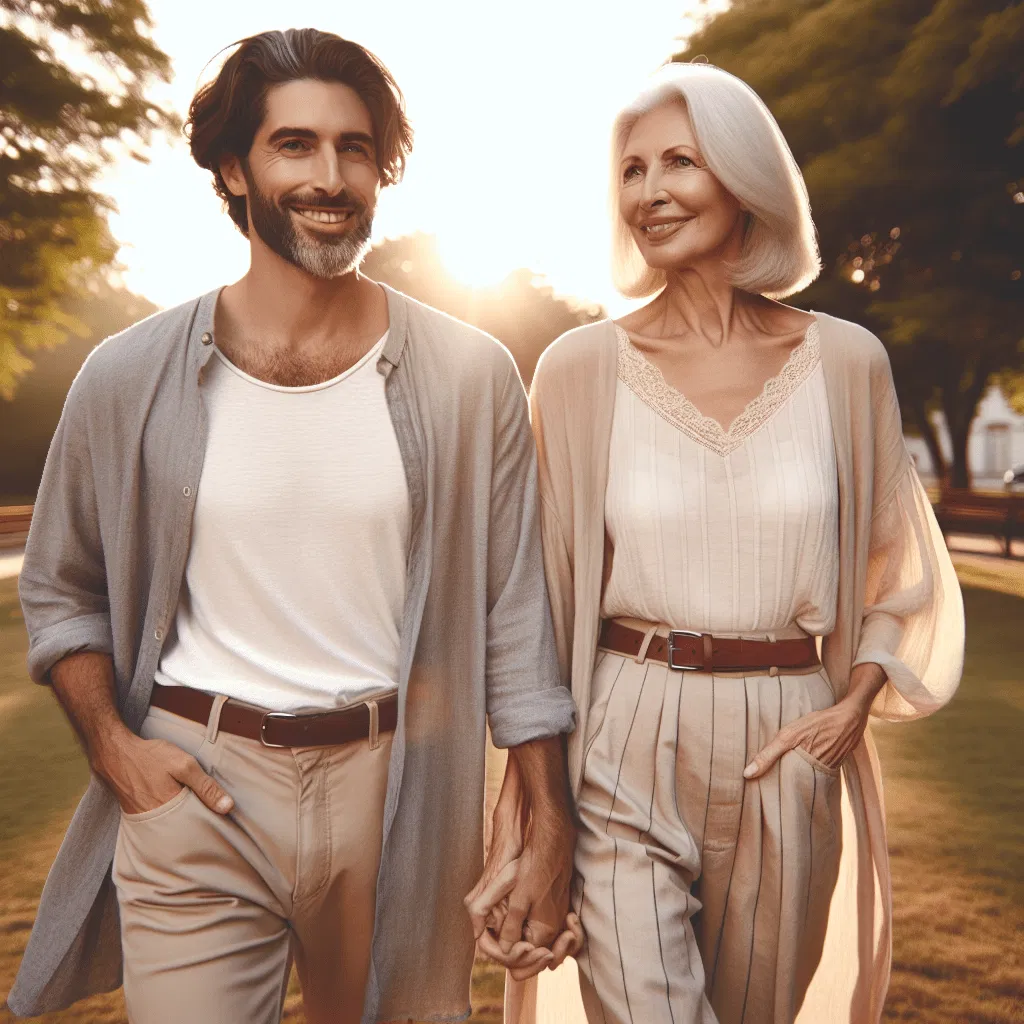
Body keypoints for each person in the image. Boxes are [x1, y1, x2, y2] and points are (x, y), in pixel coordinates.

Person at [8, 28, 579, 1024]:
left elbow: (516, 616)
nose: (331, 176)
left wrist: (547, 821)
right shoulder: (126, 377)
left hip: (399, 792)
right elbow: (62, 587)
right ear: (233, 166)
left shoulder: (470, 374)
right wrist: (114, 746)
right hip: (198, 787)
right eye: (295, 145)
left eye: (354, 148)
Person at [500, 62, 965, 1024]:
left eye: (681, 161)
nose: (651, 191)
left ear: (746, 179)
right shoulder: (577, 370)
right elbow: (536, 608)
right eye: (632, 170)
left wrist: (854, 703)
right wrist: (535, 819)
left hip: (791, 737)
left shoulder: (847, 363)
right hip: (621, 732)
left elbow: (900, 572)